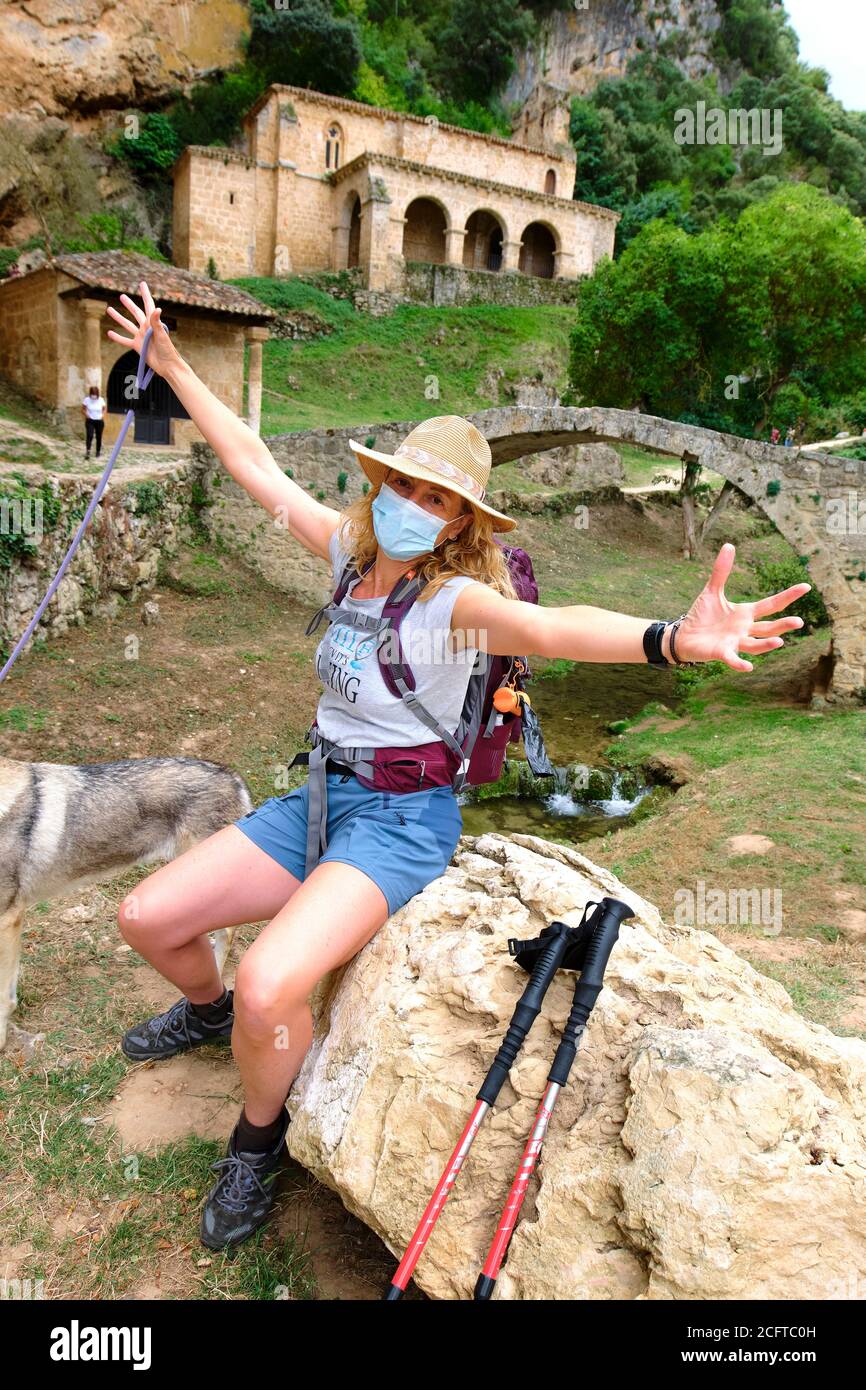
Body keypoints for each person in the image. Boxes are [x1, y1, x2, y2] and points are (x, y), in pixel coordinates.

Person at [105, 281, 810, 1251]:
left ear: (456, 521)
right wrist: (176, 368)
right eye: (402, 484)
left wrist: (670, 641)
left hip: (400, 822)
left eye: (434, 497)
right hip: (315, 794)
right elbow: (255, 464)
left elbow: (552, 626)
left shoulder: (457, 603)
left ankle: (255, 1141)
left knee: (274, 983)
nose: (411, 504)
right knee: (145, 916)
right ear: (379, 487)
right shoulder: (347, 558)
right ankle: (203, 1009)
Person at [82, 384, 106, 458]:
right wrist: (86, 415)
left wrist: (103, 415)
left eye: (95, 394)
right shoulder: (87, 400)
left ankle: (98, 451)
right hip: (90, 420)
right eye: (93, 394)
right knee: (90, 435)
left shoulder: (101, 400)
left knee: (99, 436)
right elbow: (83, 409)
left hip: (99, 421)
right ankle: (88, 451)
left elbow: (104, 408)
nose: (94, 396)